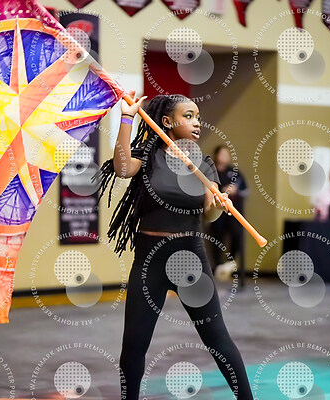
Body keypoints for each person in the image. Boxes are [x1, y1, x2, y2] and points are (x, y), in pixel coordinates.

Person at [96, 92, 254, 399]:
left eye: (198, 117)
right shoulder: (148, 156)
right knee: (134, 345)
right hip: (150, 260)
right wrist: (127, 117)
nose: (197, 123)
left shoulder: (203, 164)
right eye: (188, 116)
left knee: (218, 340)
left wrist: (218, 205)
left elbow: (209, 212)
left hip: (190, 259)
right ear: (167, 121)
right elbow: (122, 168)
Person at [209, 146, 248, 282]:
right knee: (217, 237)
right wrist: (221, 191)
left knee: (236, 236)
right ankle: (217, 267)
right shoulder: (211, 172)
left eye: (226, 154)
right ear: (216, 155)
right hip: (217, 212)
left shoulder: (234, 172)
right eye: (222, 154)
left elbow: (245, 189)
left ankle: (231, 264)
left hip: (233, 212)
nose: (224, 157)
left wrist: (235, 190)